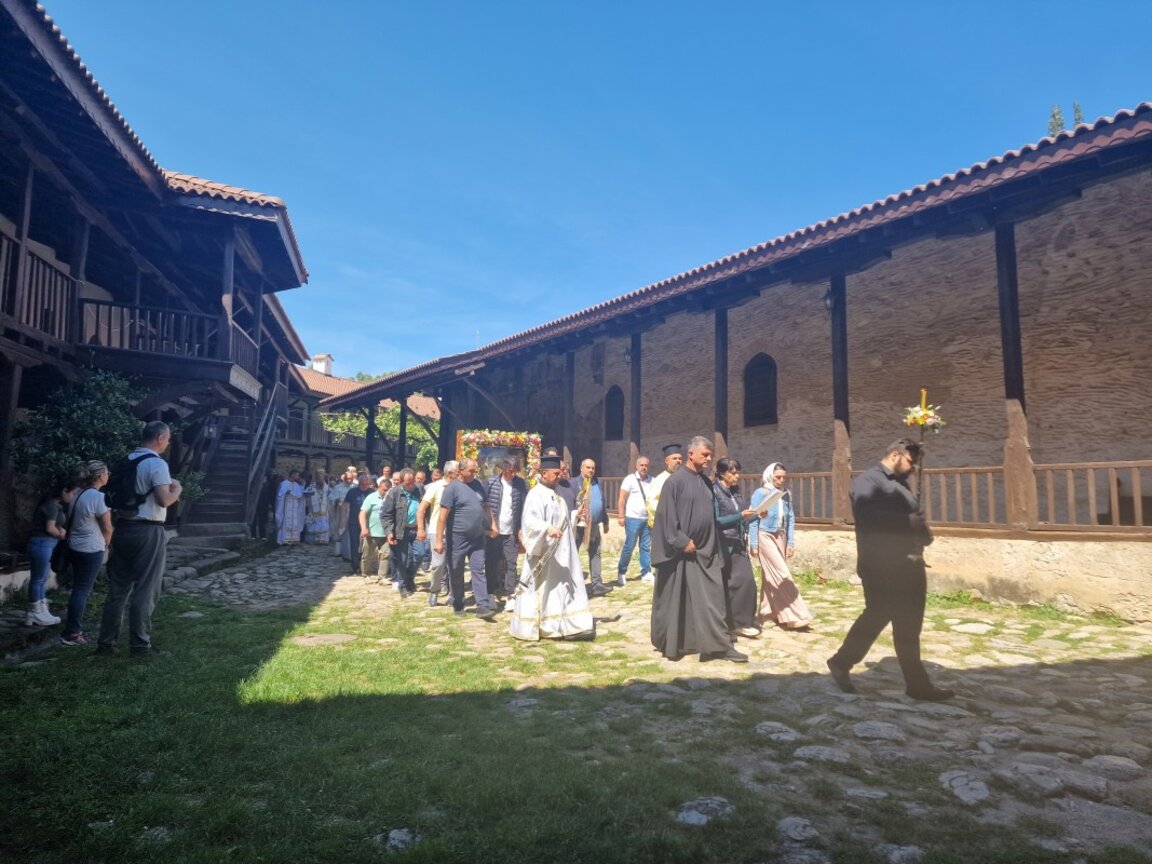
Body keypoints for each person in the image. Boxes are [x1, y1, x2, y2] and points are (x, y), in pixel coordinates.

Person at [827, 439, 955, 702]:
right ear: (895, 454)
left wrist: (923, 533)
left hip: (910, 563)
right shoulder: (867, 482)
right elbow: (869, 518)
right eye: (910, 462)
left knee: (909, 626)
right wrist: (908, 522)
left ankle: (917, 685)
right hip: (880, 565)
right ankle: (841, 662)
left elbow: (913, 518)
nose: (913, 469)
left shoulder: (901, 484)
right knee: (877, 615)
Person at [650, 436, 747, 663]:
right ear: (691, 454)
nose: (709, 459)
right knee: (679, 601)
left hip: (706, 551)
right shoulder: (675, 482)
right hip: (683, 553)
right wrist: (681, 540)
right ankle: (677, 643)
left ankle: (720, 646)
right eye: (705, 454)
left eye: (710, 455)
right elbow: (666, 516)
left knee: (713, 600)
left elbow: (712, 516)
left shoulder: (704, 482)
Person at [97, 422, 182, 657]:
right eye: (168, 439)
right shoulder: (156, 463)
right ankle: (140, 645)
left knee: (118, 589)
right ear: (160, 437)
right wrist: (178, 489)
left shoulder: (126, 461)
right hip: (148, 530)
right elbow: (164, 499)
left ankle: (106, 644)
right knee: (146, 587)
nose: (168, 443)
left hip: (122, 528)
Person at [509, 454, 594, 641]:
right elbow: (529, 522)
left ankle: (560, 624)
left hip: (561, 553)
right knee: (543, 591)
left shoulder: (557, 495)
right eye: (555, 473)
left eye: (560, 473)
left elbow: (562, 520)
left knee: (559, 590)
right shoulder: (535, 494)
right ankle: (542, 625)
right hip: (544, 554)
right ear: (544, 473)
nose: (559, 476)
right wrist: (547, 528)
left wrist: (575, 515)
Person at [749, 462, 813, 631]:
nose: (781, 480)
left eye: (784, 477)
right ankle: (797, 615)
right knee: (782, 573)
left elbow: (790, 518)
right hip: (764, 535)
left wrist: (790, 542)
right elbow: (753, 518)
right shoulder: (760, 493)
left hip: (780, 536)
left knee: (769, 576)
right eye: (778, 477)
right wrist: (754, 543)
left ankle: (767, 613)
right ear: (770, 476)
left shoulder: (785, 494)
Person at [436, 458, 498, 619]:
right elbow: (442, 517)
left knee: (478, 569)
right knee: (456, 570)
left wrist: (493, 525)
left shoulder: (478, 485)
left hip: (477, 538)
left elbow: (486, 506)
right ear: (460, 471)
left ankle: (482, 606)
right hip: (457, 538)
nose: (474, 473)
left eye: (475, 470)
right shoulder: (452, 489)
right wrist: (438, 540)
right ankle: (458, 603)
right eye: (471, 470)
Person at [60, 461, 113, 647]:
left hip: (75, 545)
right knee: (82, 591)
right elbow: (107, 527)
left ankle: (72, 630)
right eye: (107, 471)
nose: (109, 474)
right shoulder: (98, 498)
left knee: (78, 589)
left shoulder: (77, 494)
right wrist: (107, 544)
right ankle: (72, 633)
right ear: (99, 476)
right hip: (91, 548)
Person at [713, 457, 761, 637]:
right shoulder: (714, 492)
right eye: (733, 473)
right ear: (721, 473)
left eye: (738, 472)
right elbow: (716, 520)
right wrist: (740, 516)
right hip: (722, 543)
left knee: (746, 581)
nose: (737, 476)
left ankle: (742, 622)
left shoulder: (735, 492)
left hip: (738, 542)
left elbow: (743, 517)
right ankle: (727, 624)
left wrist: (758, 516)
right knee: (726, 585)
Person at [24, 477, 77, 627]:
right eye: (72, 493)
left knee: (41, 579)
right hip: (42, 544)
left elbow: (53, 525)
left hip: (45, 545)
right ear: (64, 491)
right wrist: (61, 534)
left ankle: (40, 609)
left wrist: (60, 529)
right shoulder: (51, 506)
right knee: (38, 579)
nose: (72, 496)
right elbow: (49, 528)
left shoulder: (55, 505)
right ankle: (34, 612)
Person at [484, 459, 527, 604]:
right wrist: (490, 526)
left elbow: (523, 508)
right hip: (495, 530)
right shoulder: (491, 483)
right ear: (502, 469)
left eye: (514, 471)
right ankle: (490, 592)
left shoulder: (520, 484)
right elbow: (485, 506)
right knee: (492, 563)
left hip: (511, 531)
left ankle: (510, 594)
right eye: (509, 471)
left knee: (511, 564)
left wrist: (521, 528)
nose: (512, 474)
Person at [417, 461, 458, 605]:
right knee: (438, 564)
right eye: (458, 471)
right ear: (450, 473)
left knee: (455, 564)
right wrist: (421, 529)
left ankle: (454, 594)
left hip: (456, 531)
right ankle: (434, 591)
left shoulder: (461, 487)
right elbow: (421, 509)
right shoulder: (435, 487)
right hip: (437, 531)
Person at [573, 458, 612, 597]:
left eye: (593, 468)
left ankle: (597, 584)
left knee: (595, 552)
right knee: (574, 554)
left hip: (594, 524)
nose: (591, 470)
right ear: (581, 468)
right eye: (588, 467)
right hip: (578, 525)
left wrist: (605, 521)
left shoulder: (597, 482)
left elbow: (602, 501)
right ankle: (574, 585)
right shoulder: (574, 483)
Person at [615, 455, 654, 586]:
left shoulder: (652, 480)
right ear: (637, 466)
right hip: (632, 518)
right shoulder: (630, 479)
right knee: (629, 546)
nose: (644, 467)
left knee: (645, 547)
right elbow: (621, 498)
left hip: (647, 519)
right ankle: (621, 571)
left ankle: (646, 572)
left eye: (646, 465)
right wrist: (621, 516)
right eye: (641, 465)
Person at [382, 469, 422, 597]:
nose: (410, 485)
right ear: (402, 482)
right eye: (407, 483)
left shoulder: (420, 490)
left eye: (412, 482)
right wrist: (389, 531)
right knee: (402, 560)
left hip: (417, 528)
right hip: (401, 530)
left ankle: (409, 577)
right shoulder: (394, 492)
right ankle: (403, 585)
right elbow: (385, 514)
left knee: (420, 554)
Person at [360, 475, 392, 585]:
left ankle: (382, 576)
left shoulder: (391, 498)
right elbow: (362, 513)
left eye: (388, 490)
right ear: (379, 487)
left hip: (386, 532)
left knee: (385, 554)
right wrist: (364, 527)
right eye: (384, 490)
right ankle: (366, 574)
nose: (386, 492)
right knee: (367, 555)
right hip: (371, 532)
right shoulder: (371, 498)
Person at [342, 473, 373, 570]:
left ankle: (365, 564)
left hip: (368, 523)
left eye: (366, 484)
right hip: (354, 521)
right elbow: (345, 505)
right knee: (354, 543)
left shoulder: (372, 492)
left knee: (367, 544)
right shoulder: (352, 492)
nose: (364, 486)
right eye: (362, 484)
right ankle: (355, 565)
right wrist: (343, 520)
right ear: (359, 483)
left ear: (369, 484)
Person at [275, 470, 305, 544]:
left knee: (295, 522)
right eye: (297, 475)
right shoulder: (284, 484)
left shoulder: (296, 485)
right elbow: (279, 496)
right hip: (286, 508)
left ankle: (294, 539)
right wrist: (285, 494)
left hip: (295, 509)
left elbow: (299, 496)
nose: (298, 477)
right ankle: (284, 539)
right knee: (286, 522)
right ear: (292, 475)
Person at [304, 469, 331, 544]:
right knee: (314, 524)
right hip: (314, 510)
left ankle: (323, 540)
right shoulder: (311, 486)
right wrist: (309, 507)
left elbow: (331, 495)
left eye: (322, 477)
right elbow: (306, 494)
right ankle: (314, 539)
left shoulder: (326, 487)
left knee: (323, 524)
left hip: (324, 510)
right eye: (319, 477)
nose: (321, 479)